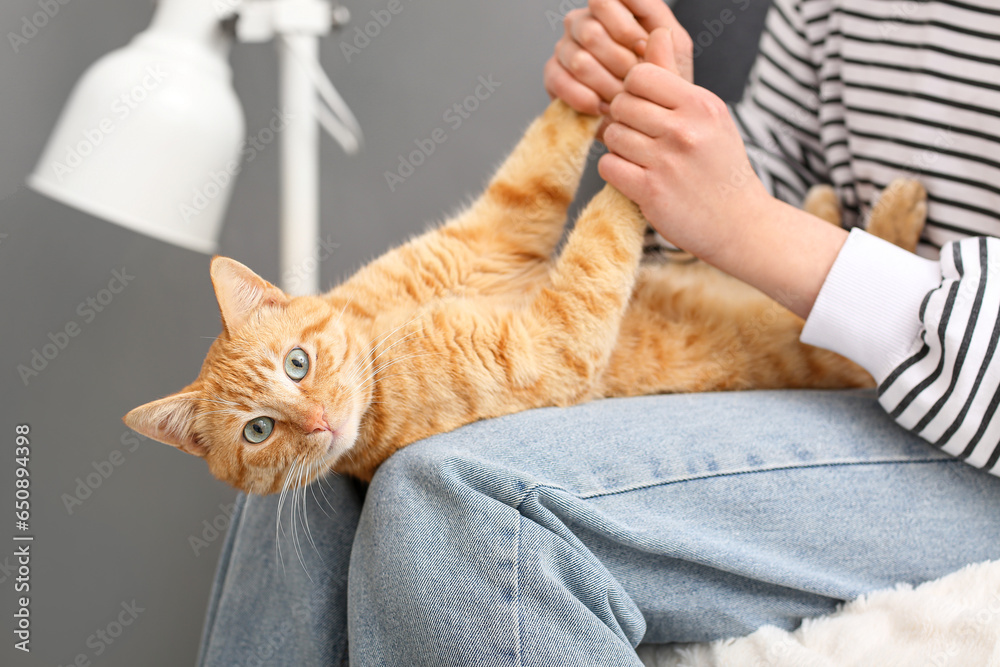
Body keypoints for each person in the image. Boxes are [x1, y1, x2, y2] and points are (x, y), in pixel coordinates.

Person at [198, 2, 1000, 665]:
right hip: (825, 365)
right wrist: (657, 130)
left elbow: (762, 230)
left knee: (465, 501)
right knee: (314, 481)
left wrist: (750, 224)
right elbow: (764, 225)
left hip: (975, 440)